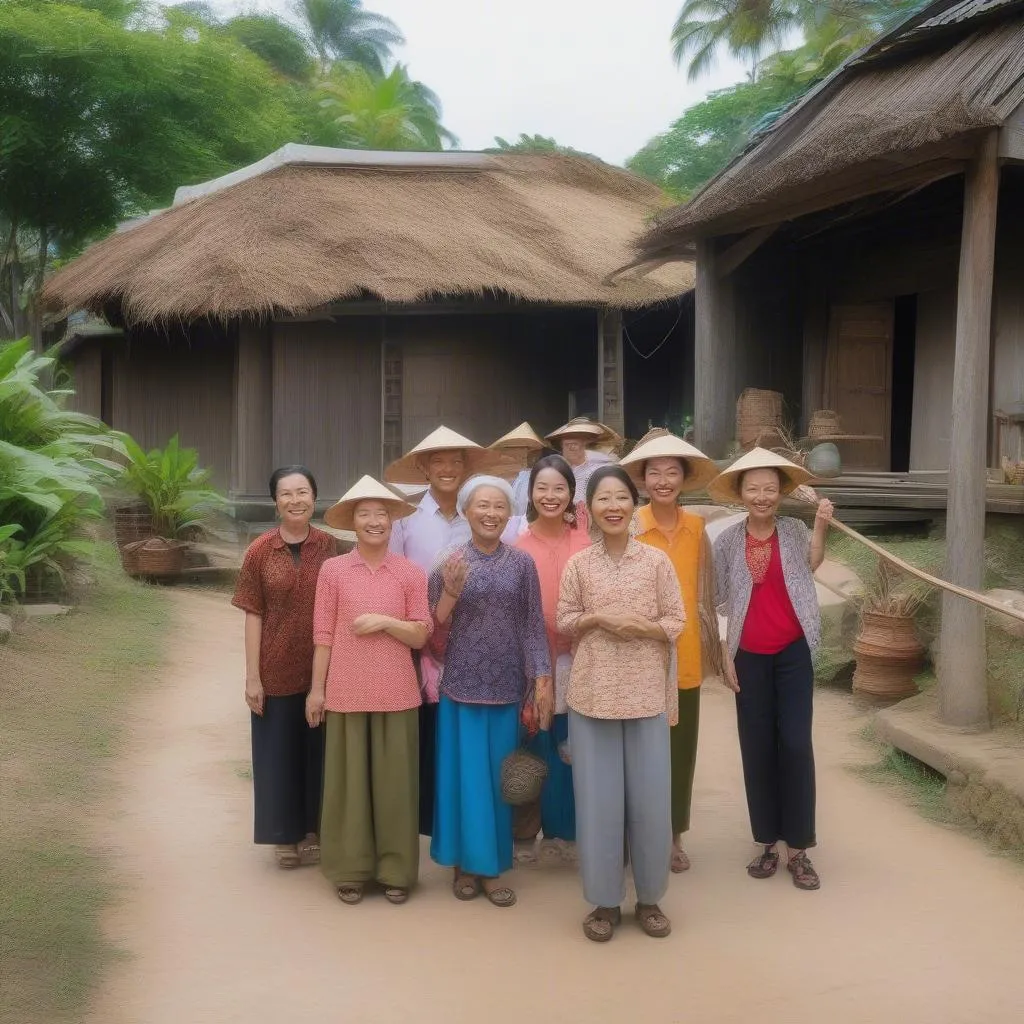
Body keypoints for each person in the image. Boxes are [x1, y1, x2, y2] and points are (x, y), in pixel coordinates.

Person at [557, 466, 684, 942]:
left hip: (646, 693)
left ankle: (650, 899)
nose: (612, 506)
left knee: (651, 804)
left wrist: (644, 628)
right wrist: (598, 618)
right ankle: (604, 902)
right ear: (588, 508)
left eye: (621, 498)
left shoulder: (655, 562)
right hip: (592, 696)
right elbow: (565, 618)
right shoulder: (579, 565)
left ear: (634, 505)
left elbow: (676, 619)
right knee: (598, 806)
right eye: (602, 498)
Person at [709, 447, 833, 891]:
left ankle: (799, 848)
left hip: (793, 651)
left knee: (796, 744)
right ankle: (767, 842)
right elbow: (719, 600)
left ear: (781, 492)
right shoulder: (725, 541)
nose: (761, 496)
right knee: (757, 746)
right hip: (749, 655)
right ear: (740, 492)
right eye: (753, 488)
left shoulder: (795, 530)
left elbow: (812, 563)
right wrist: (724, 650)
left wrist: (819, 523)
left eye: (770, 488)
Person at [306, 476, 431, 905]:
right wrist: (315, 691)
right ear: (352, 523)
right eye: (365, 514)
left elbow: (420, 635)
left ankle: (396, 870)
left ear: (394, 520)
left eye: (382, 513)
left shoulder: (411, 573)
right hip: (344, 690)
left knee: (396, 787)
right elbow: (323, 634)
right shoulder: (333, 570)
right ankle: (349, 869)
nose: (375, 521)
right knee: (348, 788)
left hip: (398, 692)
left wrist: (384, 622)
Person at [428, 475, 552, 908]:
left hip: (506, 689)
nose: (491, 513)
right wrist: (450, 592)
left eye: (499, 506)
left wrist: (540, 680)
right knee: (465, 781)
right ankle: (464, 865)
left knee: (500, 784)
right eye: (482, 505)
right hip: (460, 689)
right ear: (465, 511)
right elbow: (432, 633)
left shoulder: (521, 565)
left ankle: (492, 866)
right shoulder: (448, 562)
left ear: (509, 512)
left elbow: (533, 625)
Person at [385, 426, 508, 837]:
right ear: (423, 467)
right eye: (438, 461)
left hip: (478, 639)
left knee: (465, 735)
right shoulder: (406, 517)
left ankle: (462, 818)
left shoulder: (484, 513)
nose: (448, 469)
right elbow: (396, 574)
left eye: (456, 461)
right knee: (426, 729)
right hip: (420, 634)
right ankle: (429, 820)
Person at [621, 428, 721, 873]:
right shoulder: (628, 524)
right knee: (636, 748)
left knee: (679, 750)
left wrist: (719, 649)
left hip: (685, 656)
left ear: (683, 478)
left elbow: (706, 592)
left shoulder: (698, 528)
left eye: (672, 472)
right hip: (636, 653)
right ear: (642, 479)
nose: (663, 480)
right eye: (654, 472)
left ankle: (674, 834)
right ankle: (635, 832)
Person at [231, 466, 336, 869]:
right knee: (277, 755)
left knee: (318, 753)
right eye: (287, 494)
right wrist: (252, 677)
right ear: (275, 501)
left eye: (303, 492)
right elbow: (252, 613)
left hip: (321, 670)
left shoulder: (331, 547)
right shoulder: (259, 551)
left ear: (315, 497)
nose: (296, 500)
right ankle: (284, 837)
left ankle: (314, 830)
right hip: (274, 669)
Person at [512, 453, 591, 863]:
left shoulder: (587, 543)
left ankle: (566, 832)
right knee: (534, 743)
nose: (550, 495)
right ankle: (526, 831)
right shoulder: (517, 549)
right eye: (541, 488)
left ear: (572, 494)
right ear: (530, 494)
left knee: (572, 744)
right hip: (533, 663)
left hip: (580, 659)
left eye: (559, 488)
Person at [545, 417, 620, 498]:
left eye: (575, 443)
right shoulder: (557, 470)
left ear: (586, 444)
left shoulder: (605, 468)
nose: (571, 447)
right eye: (567, 444)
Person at [488, 421, 548, 517]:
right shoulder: (494, 477)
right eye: (514, 449)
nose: (521, 454)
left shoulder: (535, 477)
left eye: (525, 449)